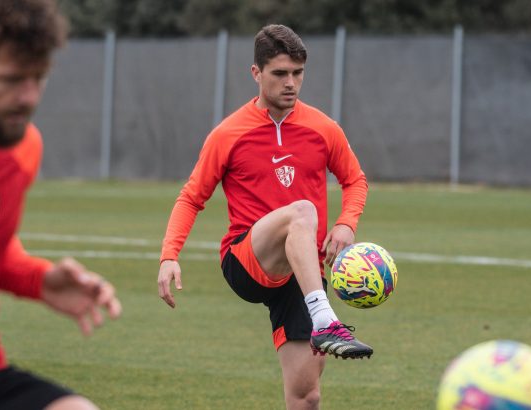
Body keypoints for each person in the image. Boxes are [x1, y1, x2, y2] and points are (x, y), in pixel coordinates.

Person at [158, 24, 371, 409]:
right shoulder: (228, 135)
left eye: (298, 73)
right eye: (279, 73)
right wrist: (169, 255)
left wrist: (345, 224)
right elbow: (191, 198)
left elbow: (355, 181)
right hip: (247, 259)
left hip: (302, 276)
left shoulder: (324, 129)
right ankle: (325, 319)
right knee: (302, 212)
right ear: (256, 74)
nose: (291, 83)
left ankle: (320, 318)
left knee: (306, 396)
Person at [0, 1, 122, 409]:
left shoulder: (22, 150)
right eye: (9, 79)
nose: (27, 97)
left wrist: (38, 279)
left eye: (38, 79)